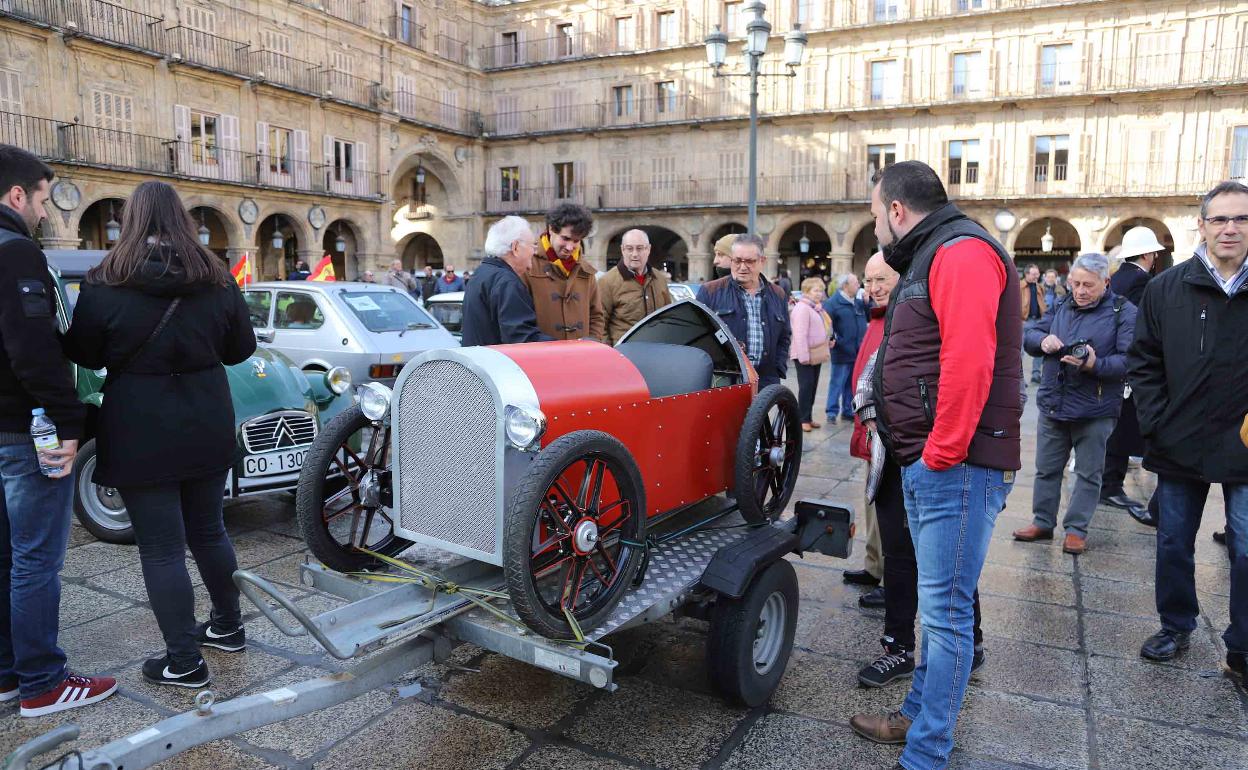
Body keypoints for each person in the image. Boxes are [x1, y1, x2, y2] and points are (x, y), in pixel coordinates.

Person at [849, 162, 1021, 769]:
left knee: (947, 619)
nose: (876, 227)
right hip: (933, 460)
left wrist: (938, 454)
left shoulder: (962, 251)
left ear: (897, 210)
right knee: (940, 609)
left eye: (875, 214)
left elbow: (969, 362)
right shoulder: (933, 253)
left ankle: (925, 754)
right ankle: (915, 718)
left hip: (956, 465)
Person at [62, 181, 257, 690]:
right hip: (206, 414)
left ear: (130, 220)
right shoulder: (214, 274)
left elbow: (84, 353)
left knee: (162, 547)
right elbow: (241, 349)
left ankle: (185, 661)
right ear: (182, 219)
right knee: (210, 529)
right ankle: (229, 627)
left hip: (139, 420)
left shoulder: (106, 279)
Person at [0, 145, 116, 717]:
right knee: (36, 561)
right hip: (25, 433)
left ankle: (6, 674)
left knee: (5, 556)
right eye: (43, 199)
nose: (45, 213)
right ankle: (43, 683)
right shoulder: (17, 253)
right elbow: (33, 350)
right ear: (17, 195)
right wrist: (69, 419)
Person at [1127, 181, 1248, 685]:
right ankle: (1175, 625)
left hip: (1244, 443)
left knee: (1246, 545)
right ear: (1201, 225)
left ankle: (1242, 643)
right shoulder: (1165, 288)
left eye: (1241, 219)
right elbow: (1144, 362)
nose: (1230, 228)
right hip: (1179, 440)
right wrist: (1156, 420)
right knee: (1175, 541)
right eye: (1219, 219)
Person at [1012, 253, 1137, 555]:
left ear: (1106, 283)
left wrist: (1095, 364)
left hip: (1096, 408)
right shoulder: (1061, 304)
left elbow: (1130, 360)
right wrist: (1041, 342)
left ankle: (1076, 530)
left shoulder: (1124, 311)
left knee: (1088, 472)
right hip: (1055, 402)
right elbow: (1030, 333)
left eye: (1088, 286)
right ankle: (1042, 521)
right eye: (1076, 284)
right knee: (1046, 468)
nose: (1080, 291)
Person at [1100, 226, 1163, 523]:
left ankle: (1109, 482)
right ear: (1148, 254)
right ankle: (1110, 484)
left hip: (1111, 357)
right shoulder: (1141, 281)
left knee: (1118, 425)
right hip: (1130, 363)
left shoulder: (1117, 278)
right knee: (1125, 427)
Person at [844, 254, 890, 600]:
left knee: (889, 508)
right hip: (871, 430)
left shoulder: (901, 318)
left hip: (889, 432)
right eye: (869, 281)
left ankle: (893, 581)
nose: (873, 288)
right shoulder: (876, 318)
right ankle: (875, 567)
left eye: (881, 281)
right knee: (872, 503)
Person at [696, 234, 791, 388]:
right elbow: (699, 337)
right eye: (737, 260)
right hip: (725, 382)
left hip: (766, 381)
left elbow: (784, 336)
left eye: (749, 261)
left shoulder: (778, 294)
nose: (742, 267)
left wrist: (778, 367)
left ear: (762, 261)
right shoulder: (710, 291)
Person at [462, 217, 554, 347]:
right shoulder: (507, 282)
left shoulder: (481, 273)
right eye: (533, 245)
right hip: (496, 364)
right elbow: (522, 338)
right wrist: (565, 346)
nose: (535, 251)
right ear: (515, 247)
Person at [525, 203, 604, 341]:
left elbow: (596, 316)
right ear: (551, 229)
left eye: (576, 241)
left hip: (580, 356)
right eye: (565, 238)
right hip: (541, 357)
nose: (570, 247)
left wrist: (593, 342)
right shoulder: (527, 265)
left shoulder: (586, 271)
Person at [599, 229, 672, 345]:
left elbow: (669, 317)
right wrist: (610, 353)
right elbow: (600, 324)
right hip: (624, 354)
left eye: (639, 248)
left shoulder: (660, 279)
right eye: (629, 249)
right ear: (622, 250)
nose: (634, 254)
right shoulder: (607, 281)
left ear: (648, 249)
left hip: (657, 351)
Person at [788, 277, 831, 433]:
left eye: (821, 290)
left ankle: (808, 417)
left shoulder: (816, 307)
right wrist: (804, 356)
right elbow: (800, 334)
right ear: (806, 291)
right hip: (805, 355)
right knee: (806, 387)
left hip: (816, 353)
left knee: (812, 387)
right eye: (816, 290)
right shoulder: (802, 308)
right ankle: (802, 419)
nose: (819, 293)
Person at [824, 273, 867, 424]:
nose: (858, 286)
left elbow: (869, 316)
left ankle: (847, 411)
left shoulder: (858, 302)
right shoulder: (833, 303)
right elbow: (826, 324)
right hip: (841, 351)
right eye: (855, 284)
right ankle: (831, 411)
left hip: (856, 350)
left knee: (851, 383)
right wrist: (834, 339)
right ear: (845, 286)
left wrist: (868, 302)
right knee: (837, 382)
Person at [1020, 263, 1046, 385]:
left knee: (1039, 348)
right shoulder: (1019, 286)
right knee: (1020, 352)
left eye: (1038, 273)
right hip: (1023, 321)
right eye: (1034, 274)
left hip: (1038, 322)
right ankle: (1021, 378)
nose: (1037, 276)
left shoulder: (1040, 287)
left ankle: (1036, 375)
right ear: (1027, 274)